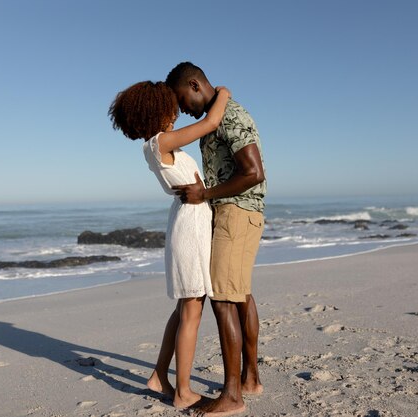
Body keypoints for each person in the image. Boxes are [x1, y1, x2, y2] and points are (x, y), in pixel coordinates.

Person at [108, 81, 231, 409]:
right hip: (189, 228)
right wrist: (224, 95)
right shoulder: (160, 142)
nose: (175, 112)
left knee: (184, 308)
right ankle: (183, 391)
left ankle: (160, 375)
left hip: (188, 222)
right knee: (192, 309)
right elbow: (210, 123)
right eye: (170, 107)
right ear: (154, 112)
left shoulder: (154, 146)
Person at [167, 62, 266, 417]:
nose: (181, 110)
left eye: (182, 100)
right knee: (239, 295)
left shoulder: (229, 116)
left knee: (223, 299)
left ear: (194, 84)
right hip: (237, 213)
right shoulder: (220, 112)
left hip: (236, 213)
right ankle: (251, 379)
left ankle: (232, 394)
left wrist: (205, 195)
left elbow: (254, 172)